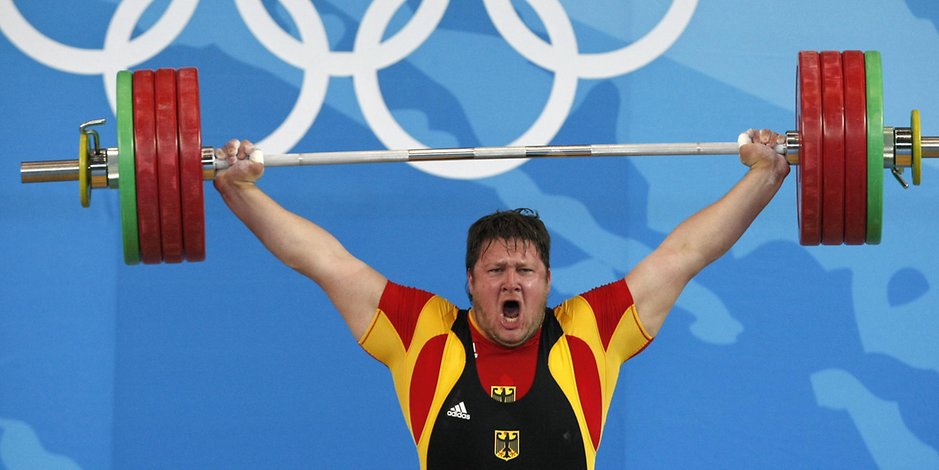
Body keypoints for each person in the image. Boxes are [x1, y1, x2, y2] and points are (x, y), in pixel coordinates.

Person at [213, 129, 790, 469]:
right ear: (470, 281)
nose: (511, 283)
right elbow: (323, 260)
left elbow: (686, 252)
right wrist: (240, 192)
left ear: (548, 280)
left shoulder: (590, 330)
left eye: (525, 270)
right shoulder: (421, 331)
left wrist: (764, 176)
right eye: (495, 270)